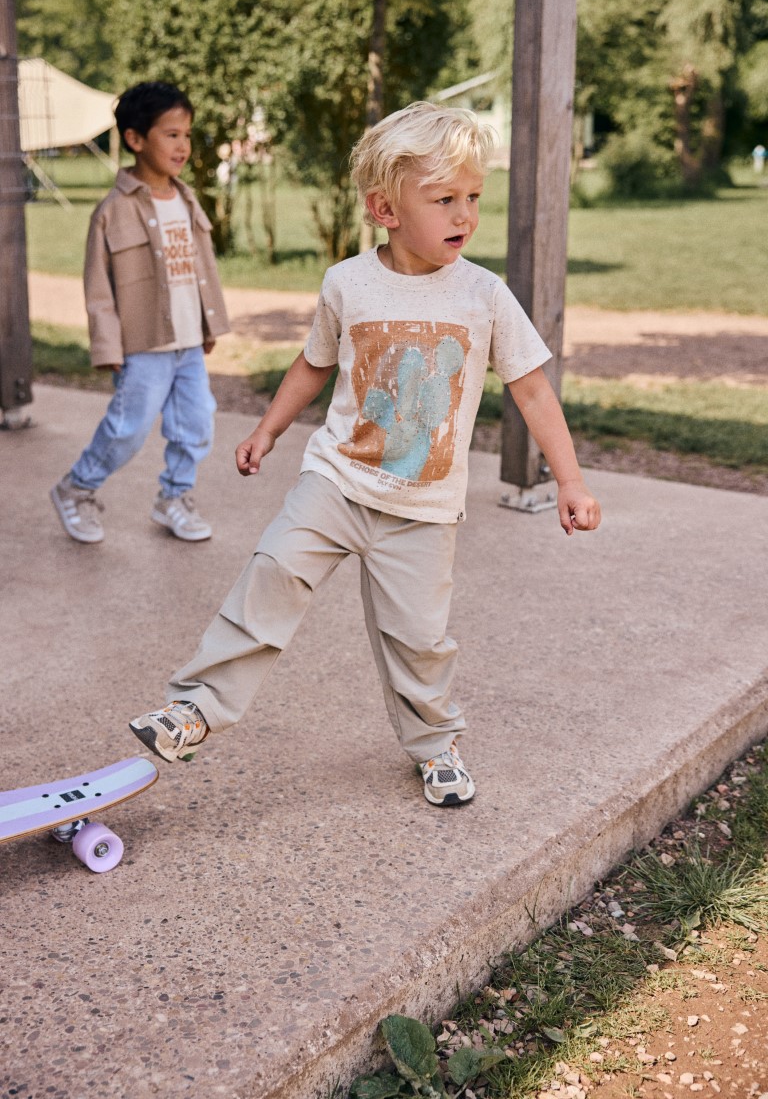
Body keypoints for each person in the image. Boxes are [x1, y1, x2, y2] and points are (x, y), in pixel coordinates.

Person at [129, 101, 601, 806]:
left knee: (419, 641)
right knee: (273, 571)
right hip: (336, 481)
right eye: (444, 199)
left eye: (473, 197)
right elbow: (313, 364)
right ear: (385, 209)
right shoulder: (347, 283)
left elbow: (531, 390)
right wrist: (269, 430)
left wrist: (570, 480)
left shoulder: (484, 294)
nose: (465, 215)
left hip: (424, 509)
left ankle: (435, 746)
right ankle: (194, 709)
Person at [50, 81, 229, 544]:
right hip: (143, 345)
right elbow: (98, 290)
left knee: (196, 425)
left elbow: (202, 270)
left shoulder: (187, 200)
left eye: (186, 135)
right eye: (171, 135)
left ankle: (174, 498)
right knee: (127, 430)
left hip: (187, 344)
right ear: (135, 139)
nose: (183, 146)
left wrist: (208, 325)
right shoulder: (112, 212)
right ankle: (76, 489)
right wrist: (108, 347)